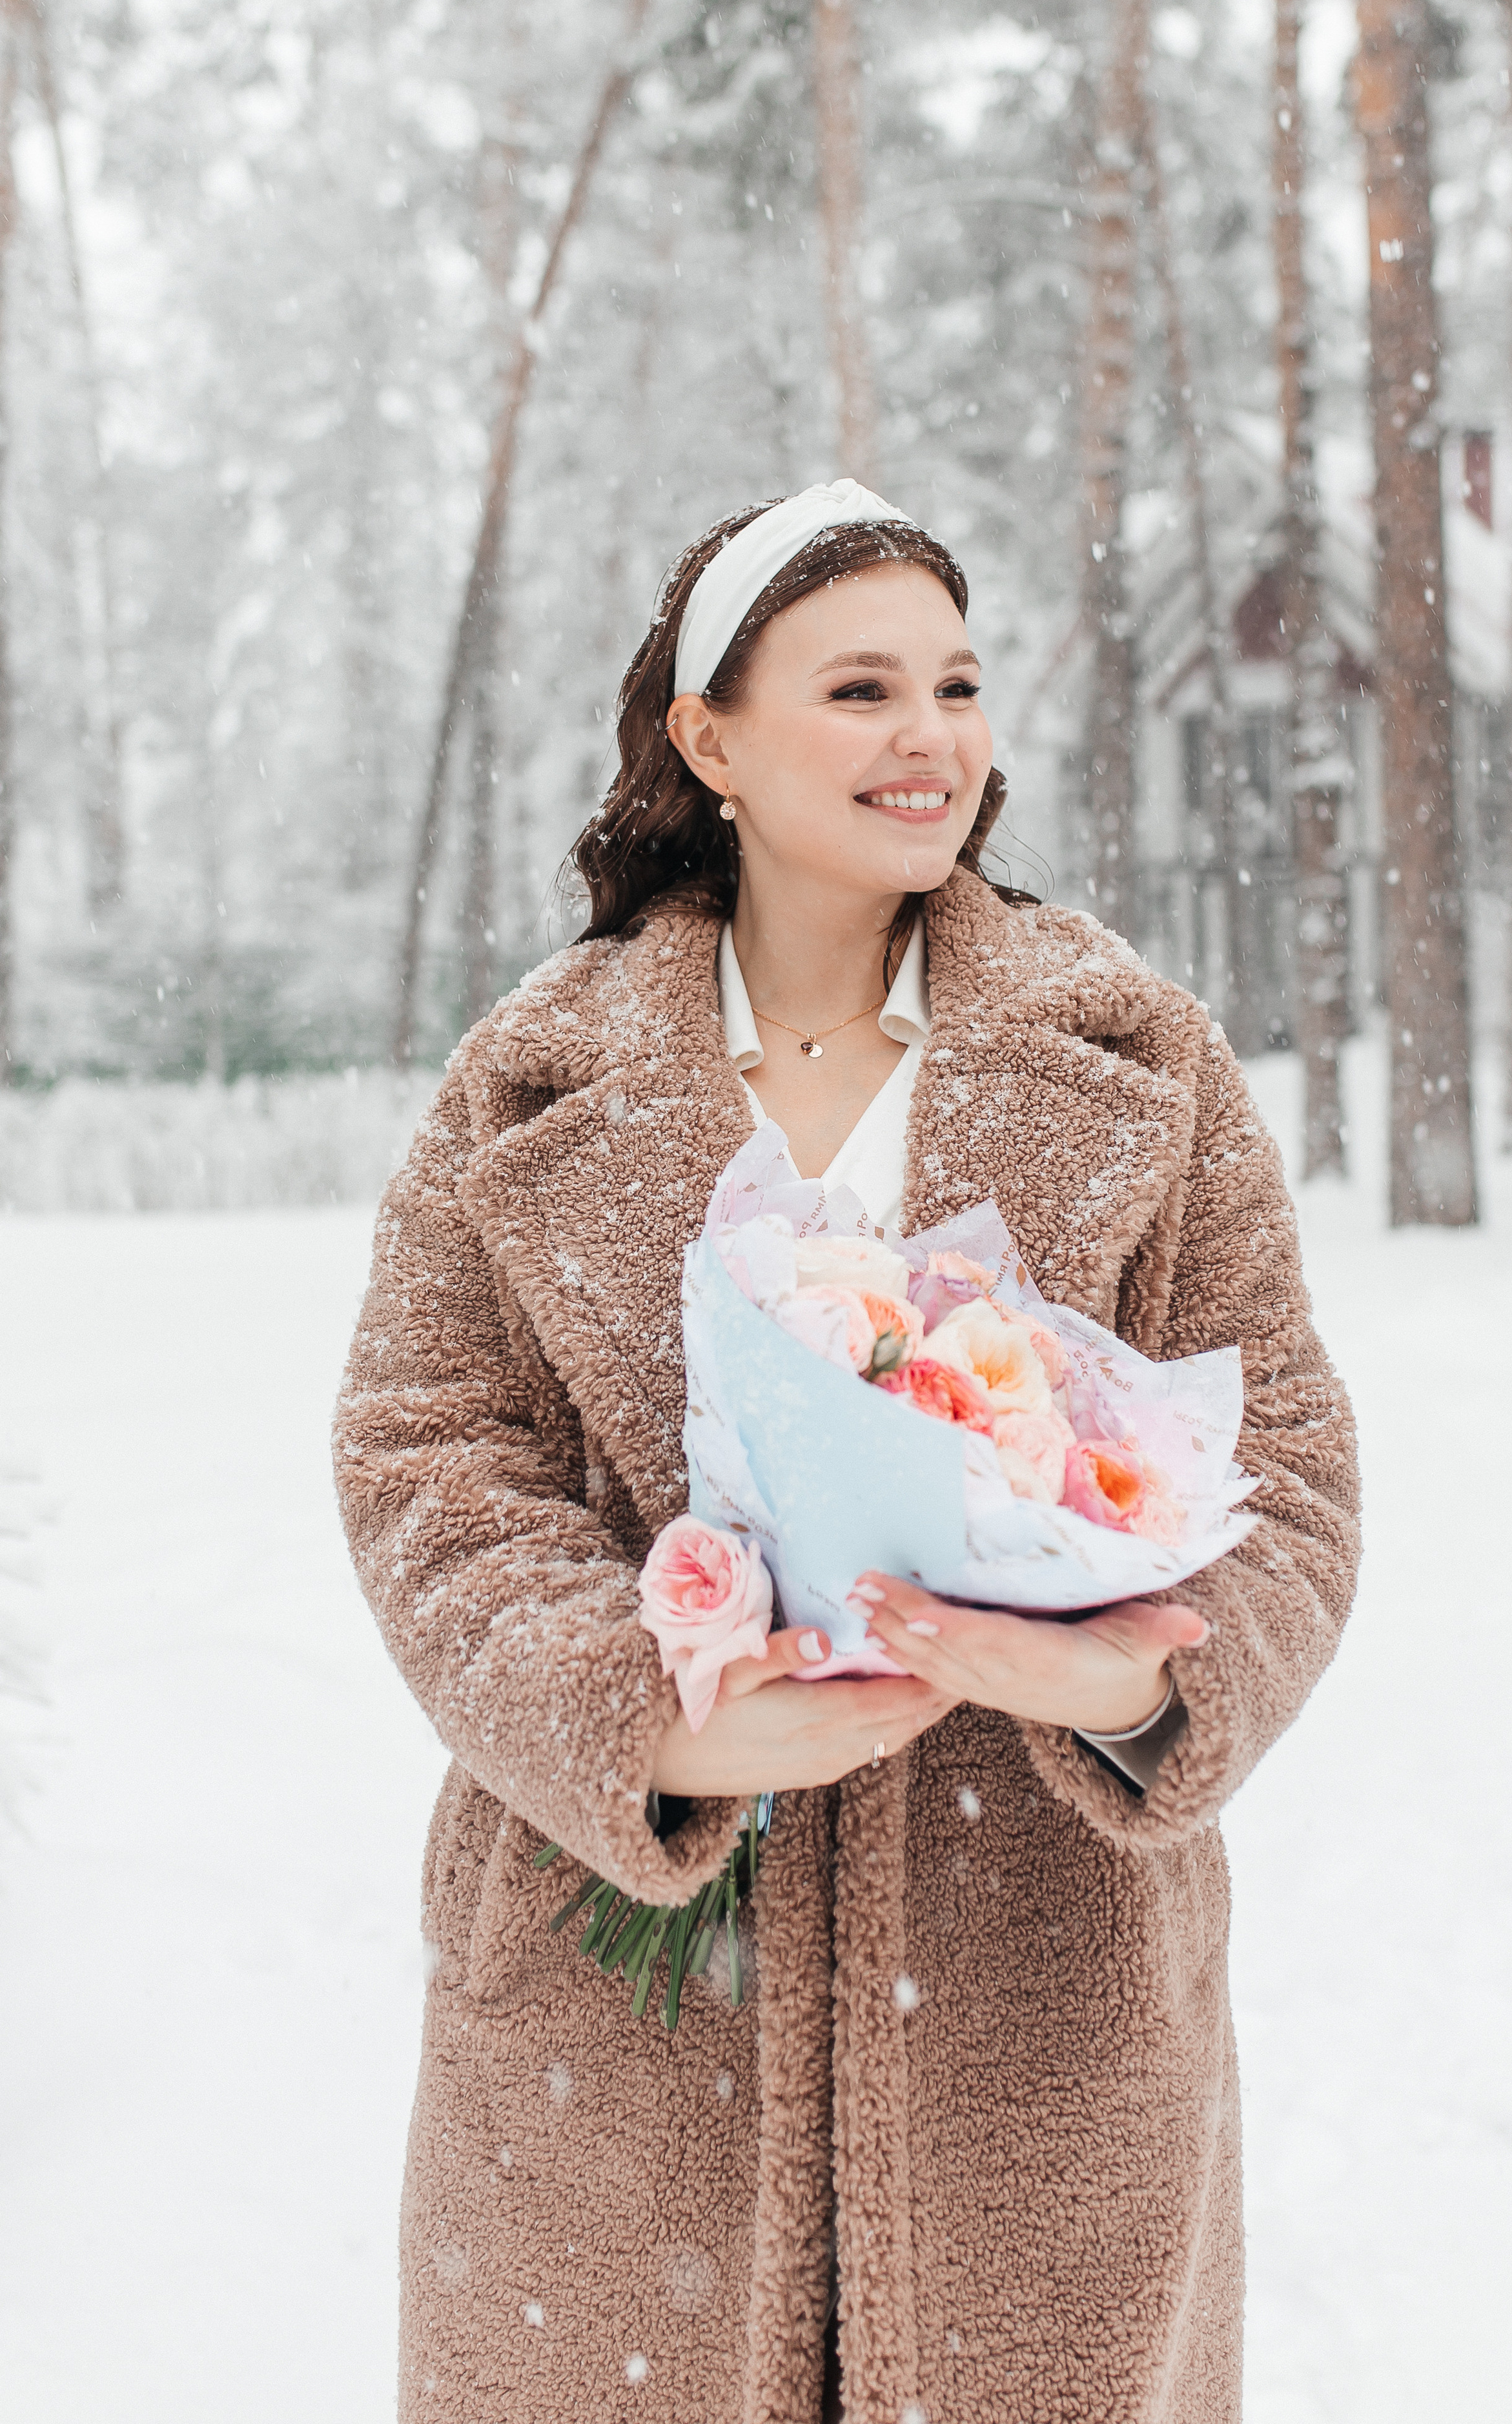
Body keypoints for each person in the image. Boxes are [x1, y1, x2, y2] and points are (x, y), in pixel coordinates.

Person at [334, 479, 1360, 2424]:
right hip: (610, 2023)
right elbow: (428, 1460)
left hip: (1040, 1984)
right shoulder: (526, 1085)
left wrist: (1138, 1680)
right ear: (709, 740)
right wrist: (648, 1720)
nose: (931, 737)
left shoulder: (1140, 1060)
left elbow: (1287, 1452)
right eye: (863, 688)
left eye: (958, 686)